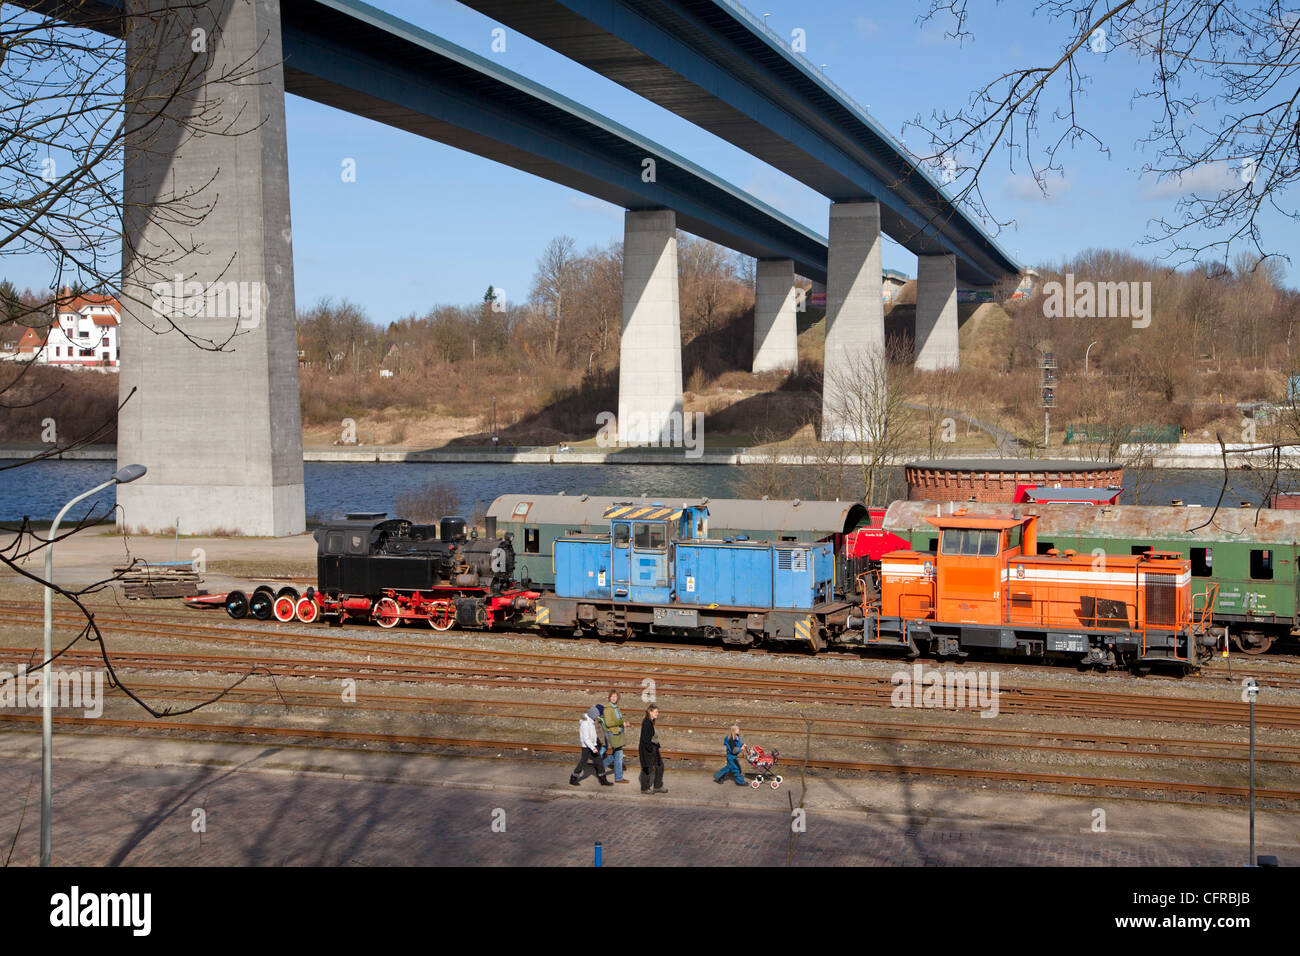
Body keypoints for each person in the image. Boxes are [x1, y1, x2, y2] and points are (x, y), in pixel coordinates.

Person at [570, 705, 612, 787]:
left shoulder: (592, 721)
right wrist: (593, 748)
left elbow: (594, 735)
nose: (598, 717)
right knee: (582, 763)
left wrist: (596, 744)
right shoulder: (585, 724)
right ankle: (573, 778)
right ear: (593, 715)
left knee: (599, 762)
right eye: (597, 715)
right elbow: (586, 739)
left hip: (593, 745)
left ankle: (603, 779)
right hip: (587, 747)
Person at [601, 690, 629, 783]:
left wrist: (623, 724)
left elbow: (618, 720)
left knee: (615, 754)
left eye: (615, 697)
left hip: (618, 733)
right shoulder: (608, 708)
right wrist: (620, 722)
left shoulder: (616, 707)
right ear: (609, 698)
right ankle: (618, 778)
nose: (614, 698)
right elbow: (609, 723)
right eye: (612, 696)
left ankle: (600, 767)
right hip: (613, 734)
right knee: (619, 755)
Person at [638, 704, 666, 794]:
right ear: (650, 712)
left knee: (660, 766)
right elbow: (645, 739)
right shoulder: (647, 722)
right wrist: (651, 749)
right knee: (647, 768)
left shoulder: (650, 721)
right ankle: (644, 788)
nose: (658, 714)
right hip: (648, 749)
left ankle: (657, 786)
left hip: (653, 747)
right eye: (656, 712)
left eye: (658, 712)